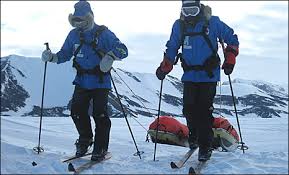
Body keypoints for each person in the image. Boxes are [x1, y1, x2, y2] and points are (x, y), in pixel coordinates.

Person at [41, 0, 128, 161]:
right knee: (77, 112)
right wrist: (52, 57)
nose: (78, 23)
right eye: (76, 20)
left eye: (81, 20)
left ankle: (100, 148)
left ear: (90, 17)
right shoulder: (73, 35)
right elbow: (65, 54)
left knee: (100, 115)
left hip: (101, 82)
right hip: (81, 80)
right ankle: (85, 140)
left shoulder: (104, 34)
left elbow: (123, 49)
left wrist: (111, 56)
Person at [156, 0, 239, 161]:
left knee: (204, 111)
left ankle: (205, 147)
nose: (189, 15)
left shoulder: (212, 22)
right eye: (186, 11)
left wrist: (230, 59)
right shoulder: (179, 26)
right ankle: (193, 137)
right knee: (188, 109)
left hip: (209, 75)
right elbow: (172, 47)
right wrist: (164, 67)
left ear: (199, 8)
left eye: (193, 10)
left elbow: (232, 39)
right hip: (190, 75)